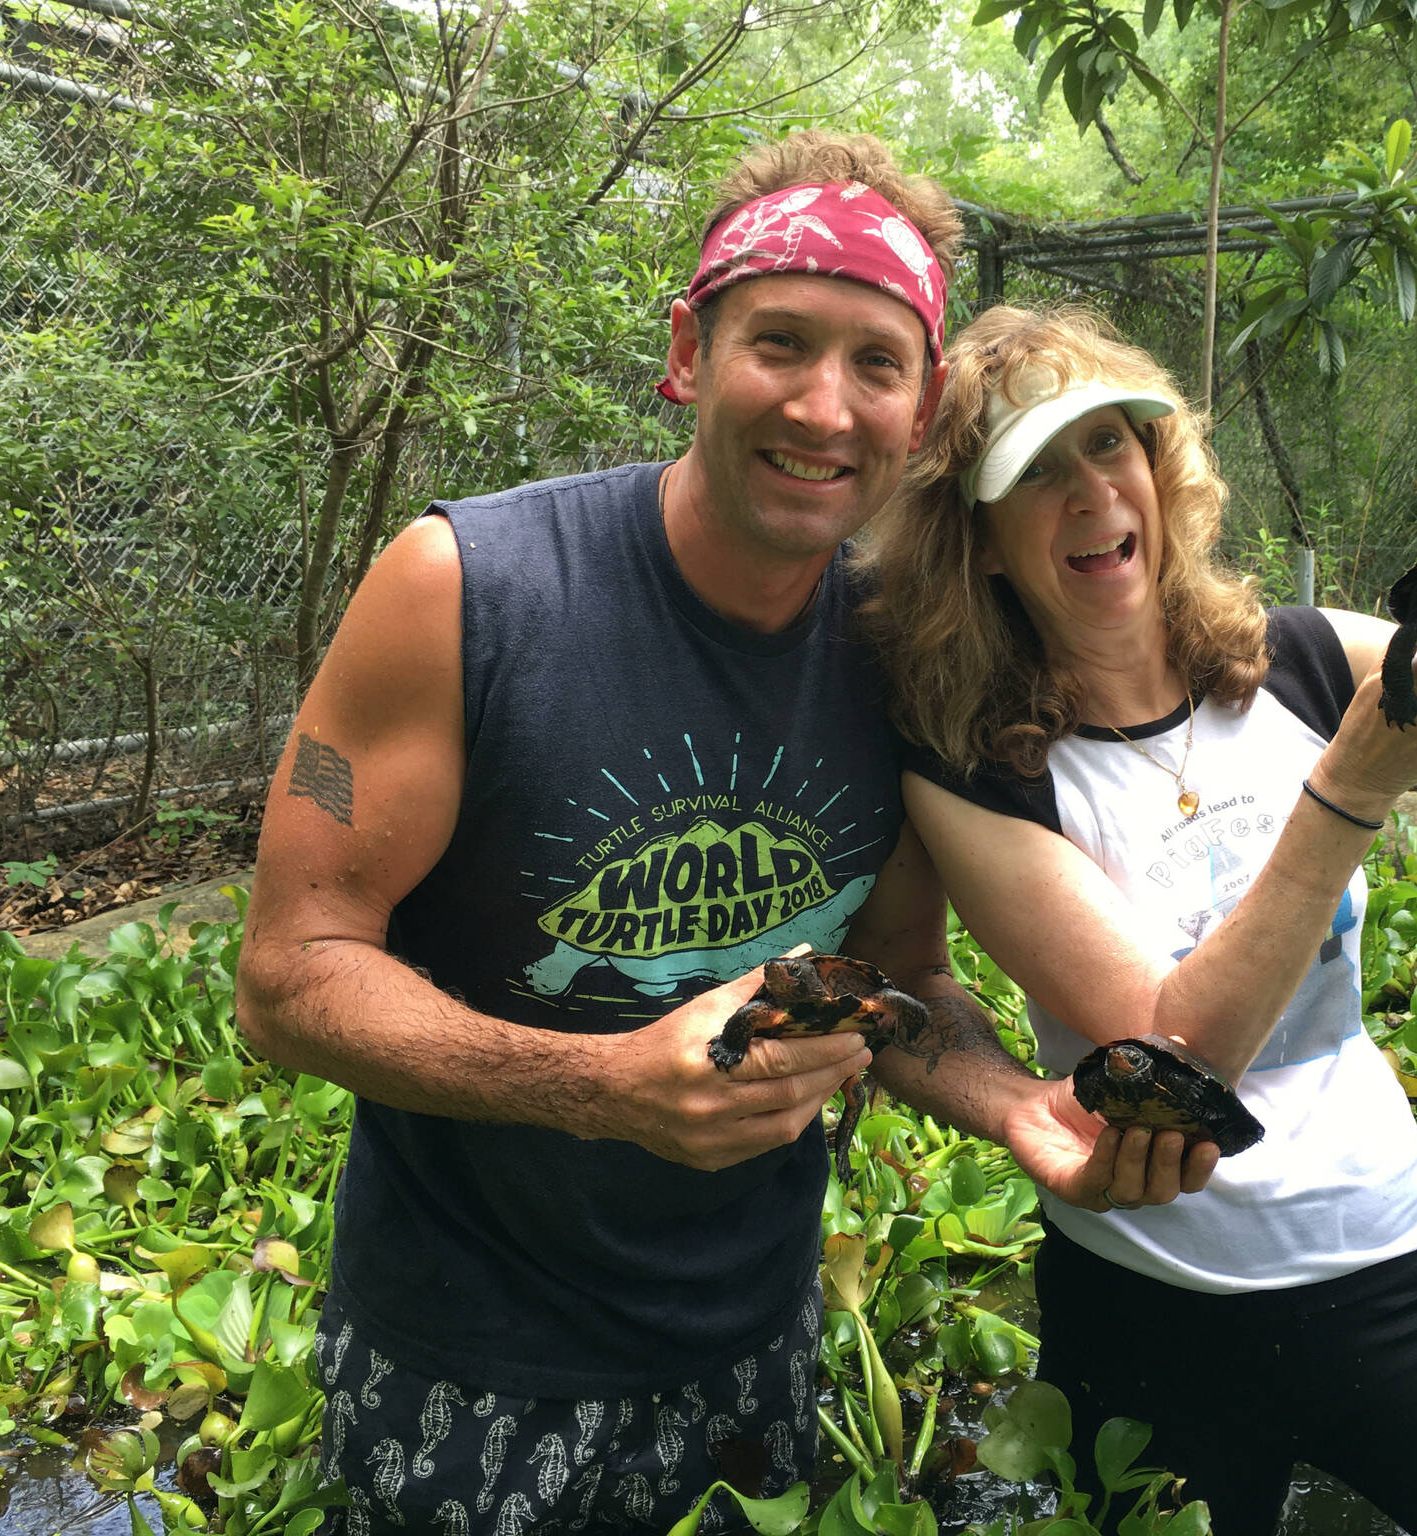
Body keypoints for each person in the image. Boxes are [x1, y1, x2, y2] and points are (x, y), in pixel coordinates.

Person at [235, 141, 1208, 1536]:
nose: (824, 405)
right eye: (781, 344)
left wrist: (1023, 1112)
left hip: (754, 1327)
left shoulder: (901, 654)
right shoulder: (468, 588)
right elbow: (290, 973)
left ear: (923, 409)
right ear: (689, 352)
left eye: (877, 363)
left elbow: (898, 981)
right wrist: (602, 1085)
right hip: (466, 1343)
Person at [858, 304, 1417, 1535]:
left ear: (1160, 476)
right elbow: (1174, 1052)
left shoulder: (1304, 661)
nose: (1090, 491)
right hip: (1144, 1297)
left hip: (1390, 1261)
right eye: (1038, 471)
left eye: (1111, 446)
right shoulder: (976, 768)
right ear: (984, 543)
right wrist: (1353, 786)